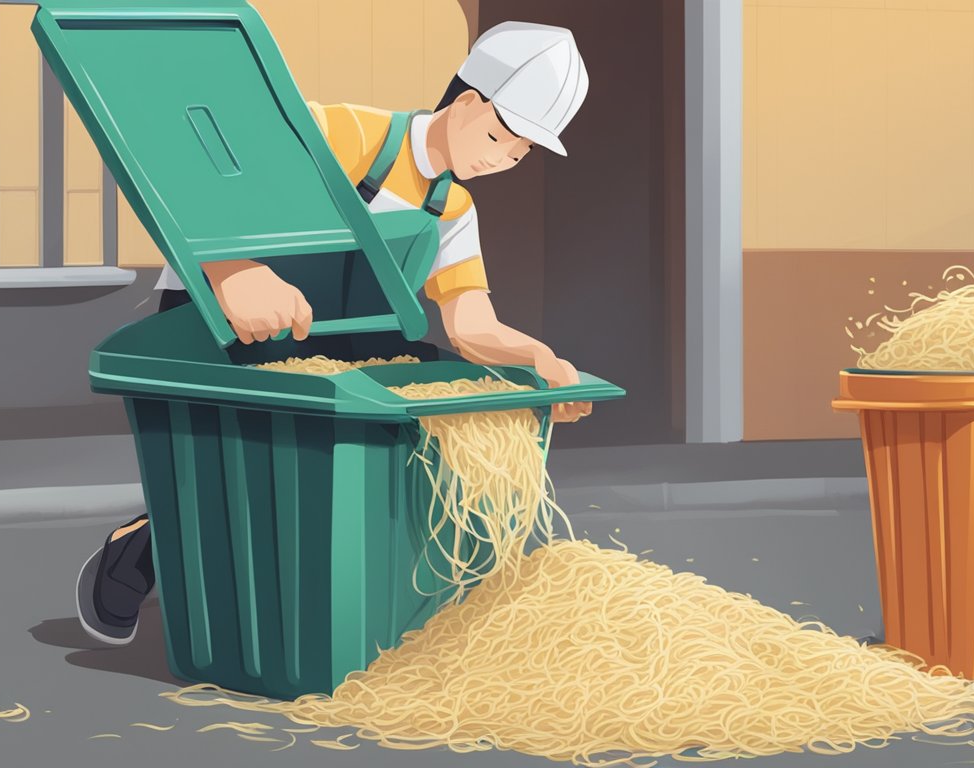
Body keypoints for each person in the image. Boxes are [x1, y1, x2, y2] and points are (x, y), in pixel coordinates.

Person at [77, 22, 591, 645]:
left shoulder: (452, 210)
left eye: (518, 154)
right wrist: (234, 270)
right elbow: (202, 176)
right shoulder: (345, 132)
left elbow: (470, 322)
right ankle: (133, 555)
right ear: (465, 102)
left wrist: (541, 359)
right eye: (497, 137)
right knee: (231, 478)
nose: (501, 159)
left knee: (307, 480)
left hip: (323, 343)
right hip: (212, 314)